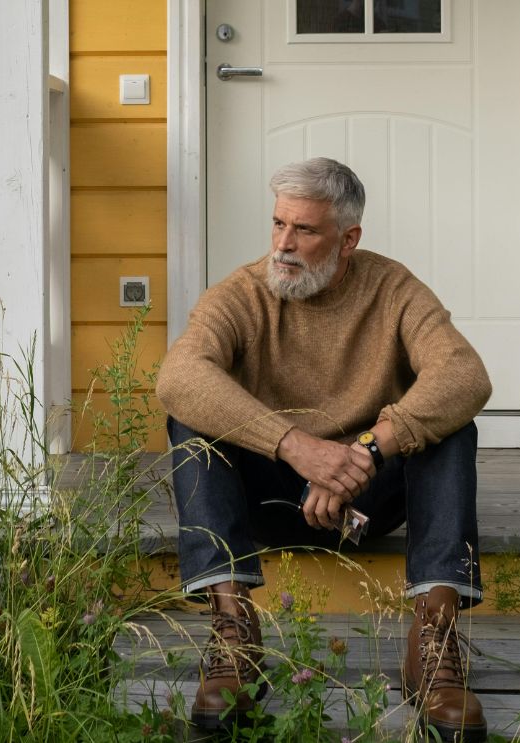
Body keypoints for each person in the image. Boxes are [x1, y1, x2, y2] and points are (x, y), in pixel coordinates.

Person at [156, 157, 491, 741]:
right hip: (271, 496)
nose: (283, 244)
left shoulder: (392, 288)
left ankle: (434, 639)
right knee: (190, 419)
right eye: (279, 224)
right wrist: (294, 447)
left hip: (370, 494)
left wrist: (367, 449)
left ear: (348, 238)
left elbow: (465, 375)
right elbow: (178, 376)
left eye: (304, 230)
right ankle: (233, 629)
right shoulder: (241, 293)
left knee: (450, 427)